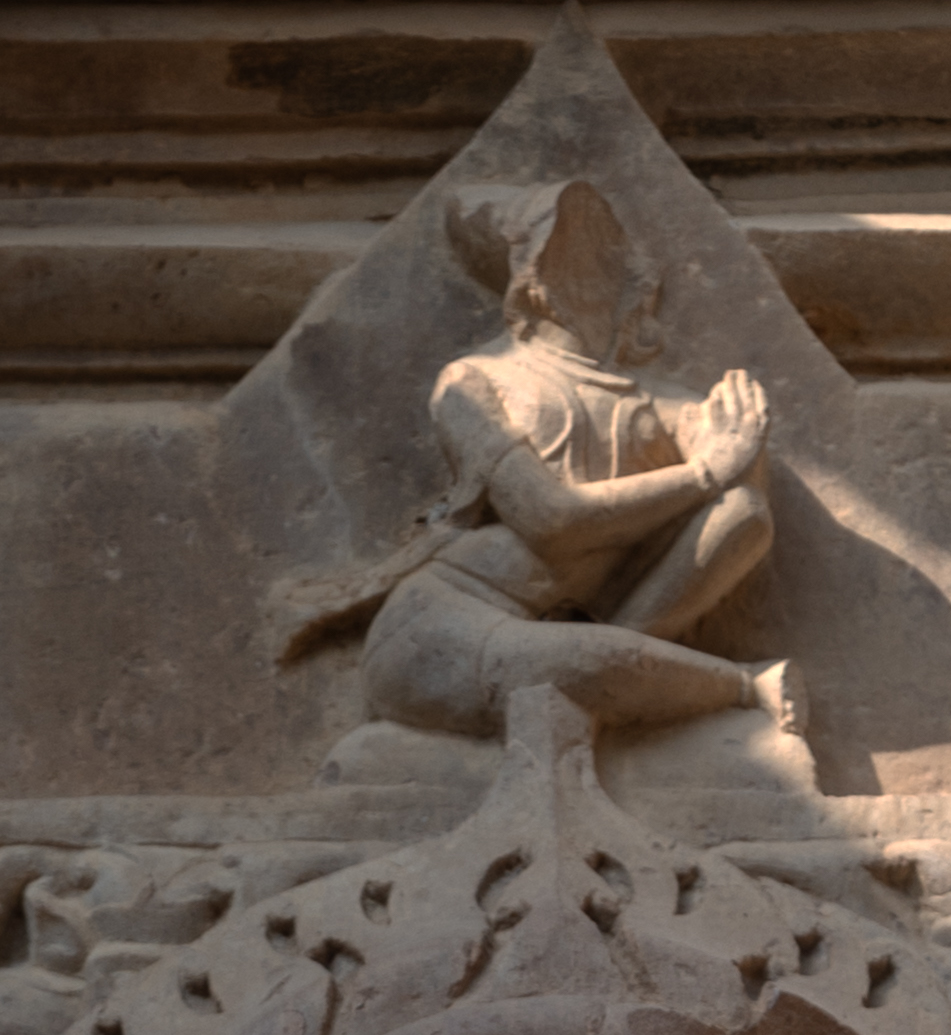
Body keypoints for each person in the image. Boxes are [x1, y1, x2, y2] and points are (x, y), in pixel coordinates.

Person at [291, 178, 790, 750]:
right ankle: (742, 687)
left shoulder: (663, 403)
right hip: (444, 622)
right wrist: (703, 474)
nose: (593, 270)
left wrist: (738, 453)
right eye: (567, 253)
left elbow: (742, 518)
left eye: (605, 252)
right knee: (573, 663)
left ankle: (627, 657)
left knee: (742, 513)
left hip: (585, 627)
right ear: (528, 280)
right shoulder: (475, 382)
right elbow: (549, 520)